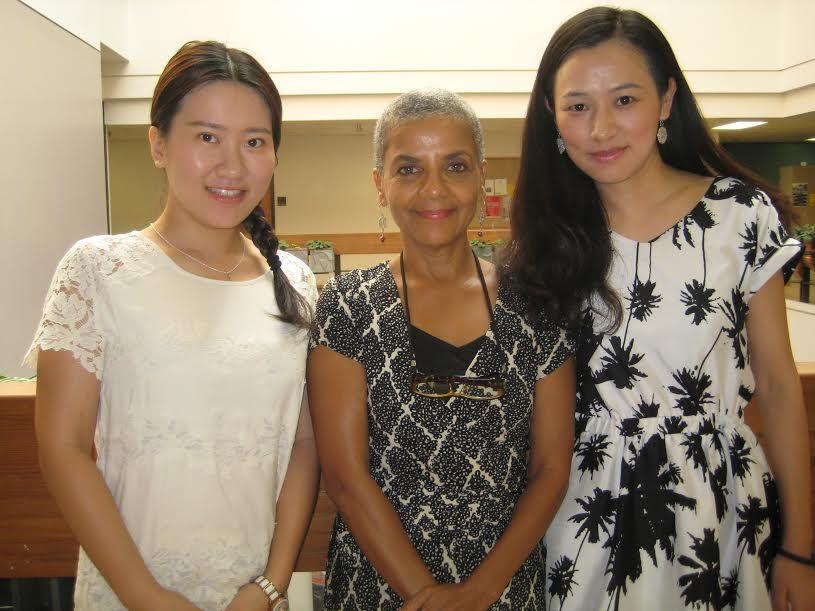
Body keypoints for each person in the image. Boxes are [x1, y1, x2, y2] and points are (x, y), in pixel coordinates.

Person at [504, 7, 815, 611]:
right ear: (551, 116)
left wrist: (801, 545)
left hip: (721, 510)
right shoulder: (546, 241)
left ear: (667, 100)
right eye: (577, 106)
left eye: (625, 100)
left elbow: (777, 386)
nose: (600, 129)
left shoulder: (739, 216)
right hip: (583, 516)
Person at [26, 41, 319, 611]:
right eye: (207, 136)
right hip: (131, 593)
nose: (232, 166)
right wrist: (148, 598)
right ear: (158, 143)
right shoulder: (97, 270)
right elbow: (61, 448)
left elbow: (303, 444)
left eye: (254, 142)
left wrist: (271, 584)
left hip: (258, 596)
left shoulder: (295, 281)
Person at [306, 88, 575, 611]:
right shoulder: (348, 308)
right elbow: (345, 476)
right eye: (409, 170)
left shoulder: (536, 307)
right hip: (379, 585)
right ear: (380, 185)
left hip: (503, 585)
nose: (434, 190)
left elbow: (550, 470)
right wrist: (427, 597)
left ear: (479, 174)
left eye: (454, 166)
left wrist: (478, 593)